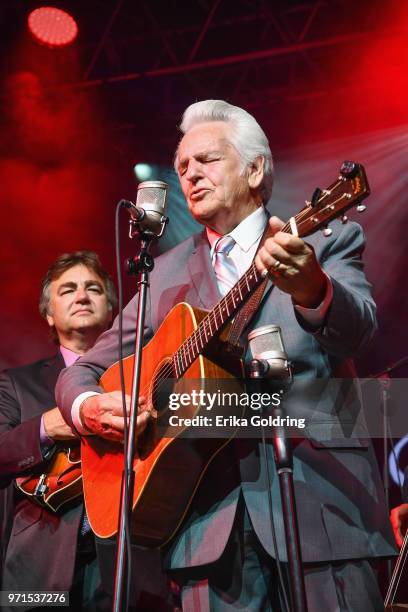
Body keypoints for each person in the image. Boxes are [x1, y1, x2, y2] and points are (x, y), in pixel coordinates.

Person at [56, 101, 396, 611]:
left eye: (207, 160)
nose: (190, 173)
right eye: (182, 167)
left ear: (255, 168)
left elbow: (360, 332)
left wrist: (313, 289)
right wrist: (89, 407)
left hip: (320, 509)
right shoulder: (162, 274)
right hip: (204, 528)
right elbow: (83, 369)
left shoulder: (323, 238)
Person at [0, 251, 162, 611]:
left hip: (129, 558)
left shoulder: (144, 376)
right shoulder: (16, 384)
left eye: (93, 288)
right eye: (68, 289)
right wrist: (46, 428)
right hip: (39, 565)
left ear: (114, 311)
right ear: (48, 313)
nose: (82, 296)